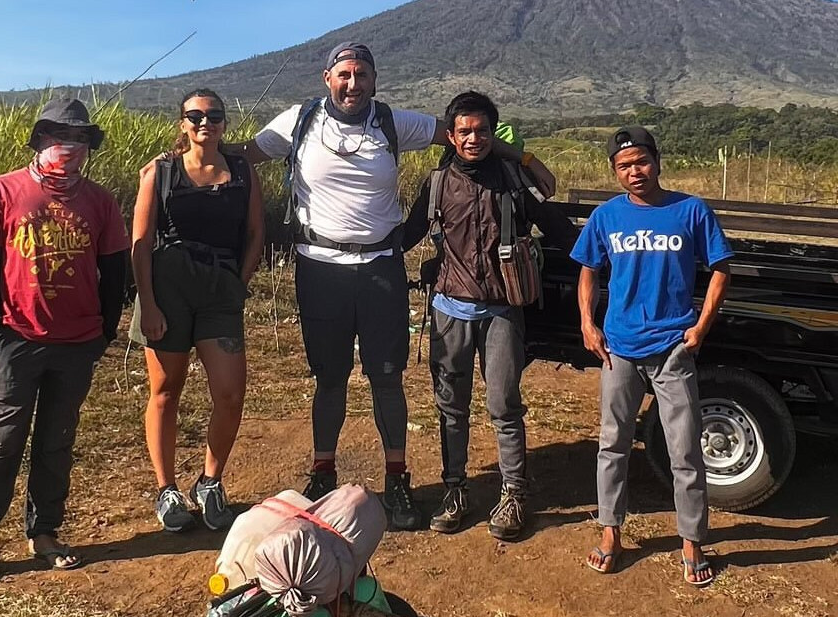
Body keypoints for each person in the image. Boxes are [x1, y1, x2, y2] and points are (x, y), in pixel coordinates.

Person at [226, 42, 548, 530]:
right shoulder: (299, 120)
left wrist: (526, 158)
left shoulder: (394, 122)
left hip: (380, 267)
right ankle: (322, 473)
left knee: (386, 377)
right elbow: (246, 154)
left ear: (375, 80)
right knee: (329, 378)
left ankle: (397, 480)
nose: (353, 83)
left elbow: (463, 134)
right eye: (344, 74)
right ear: (327, 78)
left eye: (362, 75)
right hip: (319, 268)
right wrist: (186, 155)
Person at [0, 99, 129, 589]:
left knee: (56, 440)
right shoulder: (0, 190)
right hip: (17, 339)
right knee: (0, 441)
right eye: (59, 136)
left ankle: (44, 532)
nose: (69, 146)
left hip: (78, 342)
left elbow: (114, 271)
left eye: (80, 138)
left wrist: (105, 332)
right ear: (40, 139)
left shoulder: (100, 201)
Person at [403, 92, 579, 540]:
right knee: (451, 407)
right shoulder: (437, 184)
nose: (473, 138)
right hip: (449, 310)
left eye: (482, 130)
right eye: (464, 131)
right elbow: (408, 234)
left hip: (502, 311)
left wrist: (606, 260)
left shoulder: (515, 180)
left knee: (504, 405)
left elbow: (557, 226)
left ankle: (514, 493)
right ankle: (454, 490)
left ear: (493, 134)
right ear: (450, 136)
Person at [572, 125, 733, 586]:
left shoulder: (691, 210)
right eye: (624, 166)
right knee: (612, 444)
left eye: (641, 161)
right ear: (615, 171)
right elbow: (588, 270)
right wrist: (587, 323)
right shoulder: (607, 216)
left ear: (657, 162)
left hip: (672, 349)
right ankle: (610, 531)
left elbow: (721, 268)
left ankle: (692, 540)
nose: (634, 171)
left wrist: (701, 326)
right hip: (618, 349)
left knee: (685, 449)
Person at [130, 89, 264, 532]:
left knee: (230, 393)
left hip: (220, 290)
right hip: (167, 290)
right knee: (166, 390)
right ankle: (166, 489)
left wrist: (239, 284)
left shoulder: (242, 172)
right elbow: (141, 244)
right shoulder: (160, 172)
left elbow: (255, 234)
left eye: (214, 115)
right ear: (182, 124)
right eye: (195, 116)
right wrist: (148, 303)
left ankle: (210, 481)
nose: (205, 122)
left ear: (225, 123)